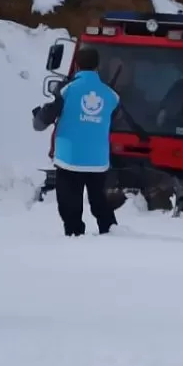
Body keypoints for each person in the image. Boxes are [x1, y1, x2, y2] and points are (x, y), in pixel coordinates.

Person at [32, 46, 120, 236]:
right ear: (98, 66)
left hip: (70, 159)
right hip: (98, 160)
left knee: (69, 203)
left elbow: (43, 121)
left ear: (77, 65)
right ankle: (112, 233)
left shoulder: (66, 90)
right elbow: (112, 118)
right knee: (100, 201)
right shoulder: (111, 95)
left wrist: (38, 116)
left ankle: (74, 236)